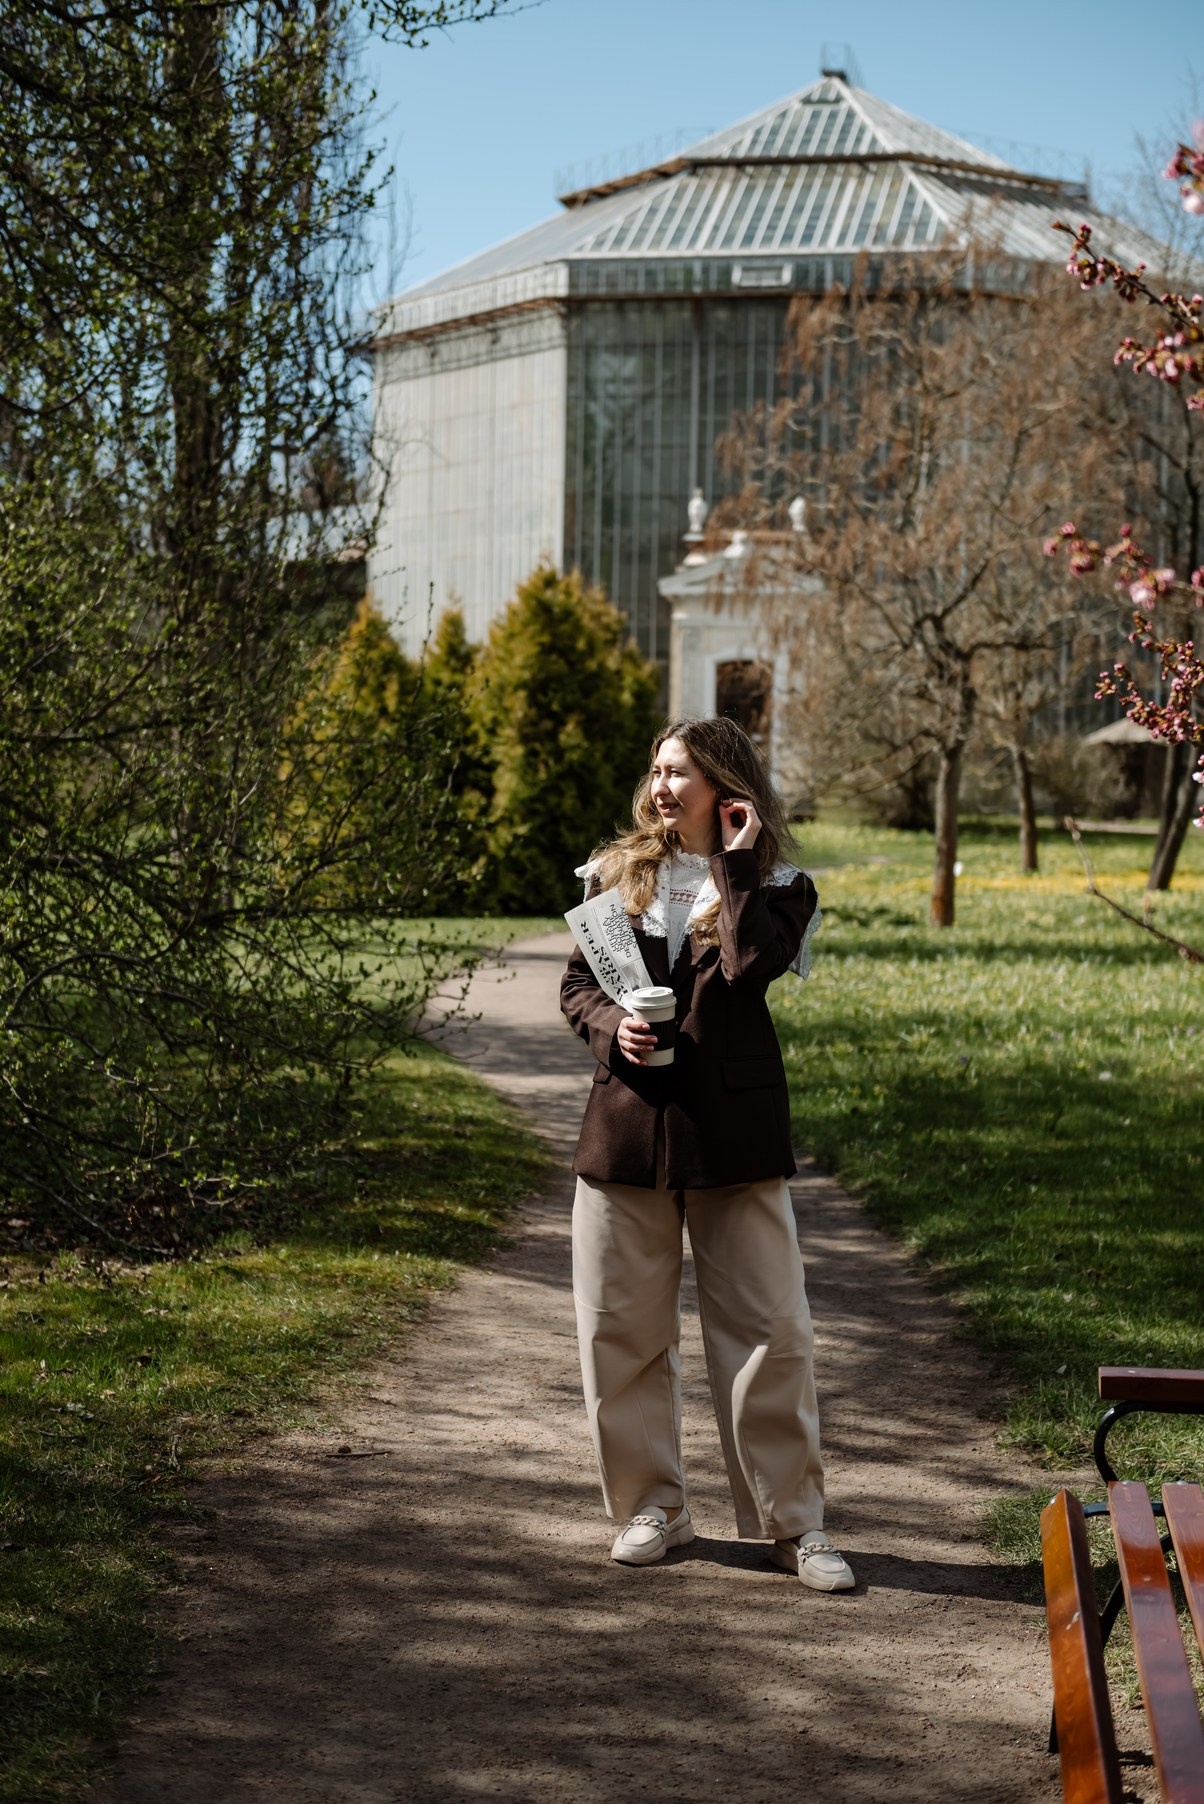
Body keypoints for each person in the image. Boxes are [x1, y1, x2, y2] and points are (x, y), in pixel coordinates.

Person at [560, 715, 854, 1592]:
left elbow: (747, 967)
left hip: (734, 1139)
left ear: (727, 787)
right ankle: (655, 1507)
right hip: (625, 1135)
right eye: (655, 770)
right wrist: (615, 1029)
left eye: (679, 772)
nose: (660, 787)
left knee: (770, 1332)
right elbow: (578, 987)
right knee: (620, 1330)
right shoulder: (614, 880)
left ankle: (793, 1527)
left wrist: (732, 865)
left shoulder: (780, 889)